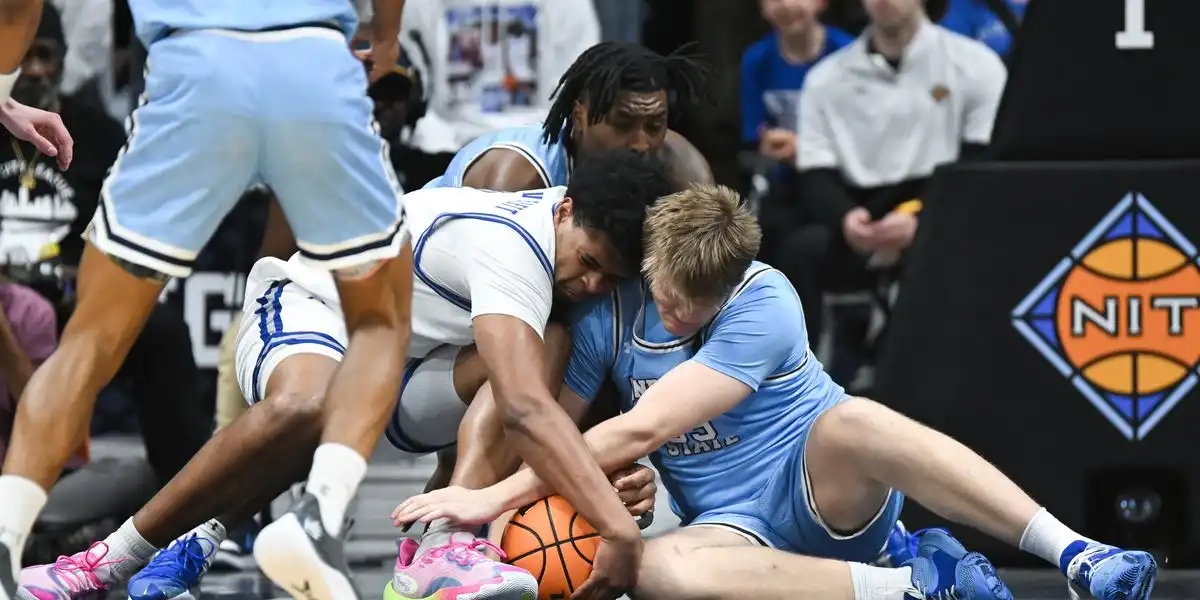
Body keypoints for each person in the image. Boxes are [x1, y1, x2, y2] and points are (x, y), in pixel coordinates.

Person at [394, 185, 1159, 600]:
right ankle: (915, 587)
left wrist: (491, 500)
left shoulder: (767, 299)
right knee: (648, 570)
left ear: (730, 287)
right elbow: (558, 436)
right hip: (733, 526)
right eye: (664, 293)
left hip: (823, 486)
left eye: (695, 305)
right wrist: (552, 495)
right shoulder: (609, 313)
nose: (674, 313)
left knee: (856, 418)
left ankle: (1080, 556)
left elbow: (639, 430)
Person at [15, 149, 669, 600]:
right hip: (307, 306)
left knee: (544, 344)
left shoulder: (567, 250)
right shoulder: (514, 247)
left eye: (607, 277)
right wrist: (613, 526)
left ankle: (441, 550)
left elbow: (539, 400)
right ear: (564, 210)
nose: (590, 284)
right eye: (588, 262)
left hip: (400, 376)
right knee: (310, 405)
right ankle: (105, 562)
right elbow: (527, 412)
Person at [0, 2, 414, 600]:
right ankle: (317, 518)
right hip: (312, 64)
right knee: (379, 324)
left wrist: (4, 85)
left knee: (88, 342)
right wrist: (389, 34)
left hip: (194, 69)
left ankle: (7, 544)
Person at [423, 41, 716, 193]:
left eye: (655, 125)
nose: (641, 143)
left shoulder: (680, 170)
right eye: (623, 124)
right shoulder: (517, 176)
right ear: (579, 118)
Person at [0, 0, 72, 168]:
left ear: (61, 58)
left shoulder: (99, 136)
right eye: (24, 56)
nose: (35, 70)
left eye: (45, 55)